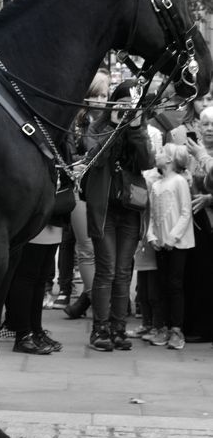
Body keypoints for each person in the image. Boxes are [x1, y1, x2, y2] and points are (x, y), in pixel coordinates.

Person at [82, 79, 155, 351]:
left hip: (130, 210)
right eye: (122, 104)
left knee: (124, 272)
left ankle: (118, 329)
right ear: (114, 102)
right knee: (107, 269)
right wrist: (114, 126)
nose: (126, 110)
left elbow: (147, 163)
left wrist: (135, 128)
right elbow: (96, 158)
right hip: (103, 210)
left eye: (131, 106)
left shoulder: (139, 127)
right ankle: (99, 330)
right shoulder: (98, 127)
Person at [64, 70, 111, 319]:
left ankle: (92, 301)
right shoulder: (76, 122)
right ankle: (96, 300)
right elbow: (68, 155)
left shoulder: (111, 122)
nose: (101, 100)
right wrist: (77, 162)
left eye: (105, 94)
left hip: (104, 192)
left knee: (103, 249)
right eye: (96, 95)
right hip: (80, 191)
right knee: (86, 249)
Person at [145, 143, 194, 350]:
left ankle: (176, 329)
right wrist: (151, 235)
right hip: (160, 244)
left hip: (177, 245)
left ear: (170, 160)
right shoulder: (156, 185)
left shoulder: (179, 181)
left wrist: (172, 237)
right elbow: (152, 215)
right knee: (162, 285)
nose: (158, 154)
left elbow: (185, 212)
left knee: (175, 285)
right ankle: (162, 326)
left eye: (162, 152)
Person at [1, 224, 64, 355]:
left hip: (54, 221)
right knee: (27, 278)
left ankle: (36, 332)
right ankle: (23, 335)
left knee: (40, 279)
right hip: (35, 224)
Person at [183, 106, 213, 342]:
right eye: (205, 124)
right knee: (193, 273)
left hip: (208, 219)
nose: (210, 129)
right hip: (194, 223)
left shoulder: (203, 155)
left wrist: (209, 199)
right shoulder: (191, 153)